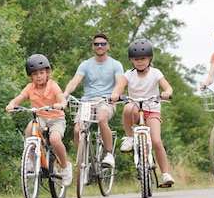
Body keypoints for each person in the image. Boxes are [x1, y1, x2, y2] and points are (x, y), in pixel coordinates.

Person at [6, 54, 72, 187]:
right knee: (30, 129)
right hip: (40, 117)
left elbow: (62, 98)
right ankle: (30, 160)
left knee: (54, 139)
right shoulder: (30, 87)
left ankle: (65, 167)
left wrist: (61, 105)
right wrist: (11, 104)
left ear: (47, 73)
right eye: (35, 74)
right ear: (30, 76)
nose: (39, 76)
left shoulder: (53, 85)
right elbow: (19, 98)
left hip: (56, 118)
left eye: (42, 73)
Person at [63, 33, 127, 169]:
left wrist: (115, 94)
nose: (100, 46)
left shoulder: (115, 64)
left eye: (103, 44)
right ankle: (82, 161)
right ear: (93, 46)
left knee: (102, 119)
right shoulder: (86, 65)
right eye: (97, 44)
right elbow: (74, 81)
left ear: (107, 46)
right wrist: (66, 93)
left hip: (106, 100)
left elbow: (120, 83)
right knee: (77, 129)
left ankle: (109, 154)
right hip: (87, 101)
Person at [119, 39, 175, 186]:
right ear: (131, 60)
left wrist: (166, 93)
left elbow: (168, 88)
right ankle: (129, 138)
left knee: (156, 141)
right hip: (136, 110)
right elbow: (119, 87)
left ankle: (165, 174)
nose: (139, 62)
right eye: (136, 59)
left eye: (143, 59)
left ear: (150, 58)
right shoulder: (129, 74)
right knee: (127, 107)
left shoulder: (156, 73)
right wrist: (114, 95)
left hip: (152, 110)